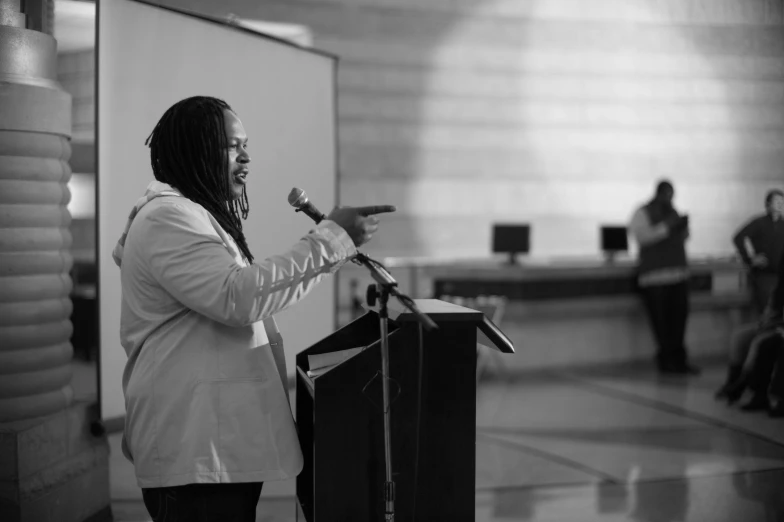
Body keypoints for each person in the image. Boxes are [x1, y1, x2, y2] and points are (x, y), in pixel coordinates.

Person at [112, 96, 395, 521]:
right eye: (231, 146)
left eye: (246, 145)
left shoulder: (193, 215)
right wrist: (332, 239)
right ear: (194, 149)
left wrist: (336, 243)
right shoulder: (167, 218)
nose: (246, 157)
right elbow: (239, 297)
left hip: (215, 447)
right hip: (197, 452)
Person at [629, 180, 699, 375]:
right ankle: (666, 360)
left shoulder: (673, 212)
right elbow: (641, 236)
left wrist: (682, 227)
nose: (669, 198)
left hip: (677, 274)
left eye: (672, 194)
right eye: (666, 194)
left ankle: (679, 359)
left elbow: (683, 237)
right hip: (655, 277)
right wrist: (666, 227)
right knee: (661, 321)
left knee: (679, 319)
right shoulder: (643, 212)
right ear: (658, 193)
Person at [732, 189, 784, 313]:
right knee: (764, 311)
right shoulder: (759, 223)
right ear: (768, 204)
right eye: (777, 201)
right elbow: (738, 237)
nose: (780, 204)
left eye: (782, 202)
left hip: (781, 276)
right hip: (764, 276)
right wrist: (750, 259)